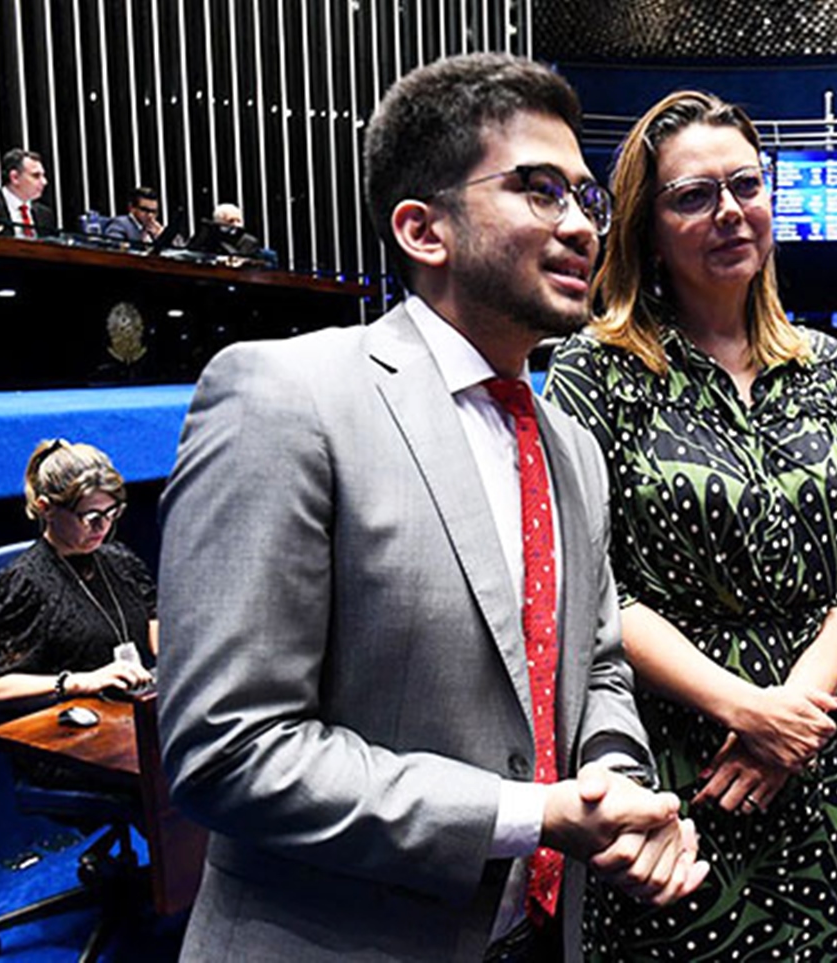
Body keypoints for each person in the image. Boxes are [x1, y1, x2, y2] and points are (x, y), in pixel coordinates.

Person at [157, 53, 706, 963]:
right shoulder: (284, 395)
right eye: (538, 189)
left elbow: (598, 662)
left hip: (536, 936)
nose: (580, 227)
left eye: (586, 198)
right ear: (423, 229)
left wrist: (610, 779)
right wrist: (532, 814)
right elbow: (228, 751)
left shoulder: (569, 442)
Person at [545, 90, 837, 961]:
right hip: (680, 761)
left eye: (746, 184)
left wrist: (790, 721)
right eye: (694, 195)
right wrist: (745, 708)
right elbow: (588, 586)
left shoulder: (829, 365)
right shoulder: (597, 368)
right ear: (648, 227)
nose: (731, 210)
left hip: (810, 754)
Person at [0, 440, 156, 757]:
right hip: (68, 736)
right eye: (90, 516)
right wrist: (79, 681)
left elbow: (154, 622)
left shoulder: (120, 561)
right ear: (46, 508)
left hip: (127, 717)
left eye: (112, 512)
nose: (103, 526)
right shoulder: (20, 586)